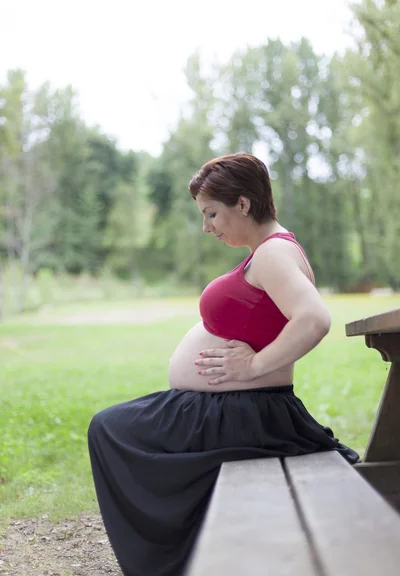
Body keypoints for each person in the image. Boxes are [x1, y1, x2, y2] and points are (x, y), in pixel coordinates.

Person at [88, 153, 358, 576]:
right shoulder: (271, 251)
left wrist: (253, 367)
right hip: (234, 409)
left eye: (212, 213)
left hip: (239, 413)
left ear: (244, 204)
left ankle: (175, 562)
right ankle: (194, 552)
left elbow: (315, 319)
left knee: (110, 428)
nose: (207, 226)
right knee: (116, 429)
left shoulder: (272, 254)